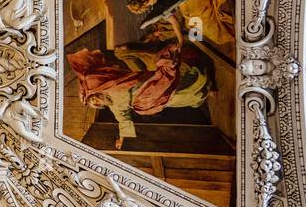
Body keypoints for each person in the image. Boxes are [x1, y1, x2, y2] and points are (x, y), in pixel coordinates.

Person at [66, 19, 214, 149]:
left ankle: (201, 79)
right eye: (96, 103)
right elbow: (123, 121)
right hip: (148, 100)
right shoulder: (115, 107)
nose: (97, 101)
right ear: (99, 105)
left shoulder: (111, 85)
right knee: (177, 96)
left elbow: (103, 76)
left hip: (148, 83)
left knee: (174, 79)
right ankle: (205, 92)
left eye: (94, 98)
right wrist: (121, 139)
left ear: (97, 93)